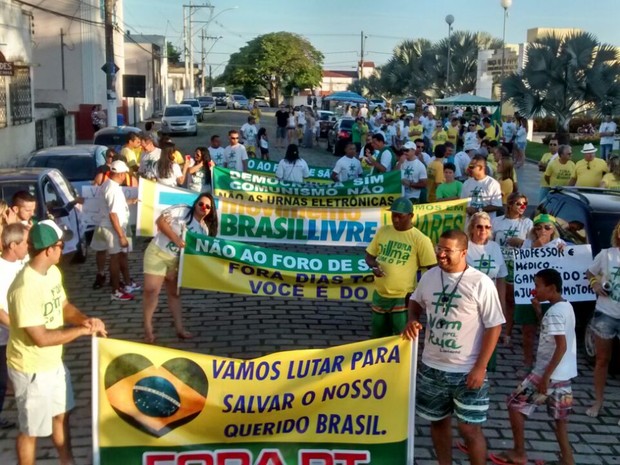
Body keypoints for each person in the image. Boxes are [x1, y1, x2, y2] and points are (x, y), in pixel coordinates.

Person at [7, 220, 107, 465]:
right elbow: (40, 338)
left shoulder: (52, 272)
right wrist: (80, 332)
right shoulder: (25, 288)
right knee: (31, 431)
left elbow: (63, 307)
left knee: (61, 416)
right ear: (48, 250)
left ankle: (67, 462)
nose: (64, 249)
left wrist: (85, 320)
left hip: (53, 364)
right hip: (31, 368)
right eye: (61, 245)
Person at [402, 229, 504, 465]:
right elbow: (415, 301)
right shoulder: (429, 277)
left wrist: (480, 367)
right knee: (437, 422)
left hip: (467, 371)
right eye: (439, 249)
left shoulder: (481, 283)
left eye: (448, 250)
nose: (441, 255)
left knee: (469, 430)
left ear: (464, 252)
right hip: (432, 367)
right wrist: (412, 319)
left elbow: (494, 326)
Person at [491, 268, 576, 465]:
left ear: (551, 287)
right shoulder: (565, 307)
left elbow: (561, 346)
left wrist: (545, 377)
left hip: (547, 373)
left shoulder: (554, 312)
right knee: (560, 419)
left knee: (514, 405)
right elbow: (553, 333)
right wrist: (539, 312)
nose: (534, 289)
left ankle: (519, 452)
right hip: (564, 375)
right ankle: (568, 460)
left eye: (537, 285)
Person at [143, 193, 218, 343]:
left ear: (210, 211)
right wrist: (176, 238)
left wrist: (176, 268)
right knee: (152, 290)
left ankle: (179, 328)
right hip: (157, 251)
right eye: (201, 204)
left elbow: (193, 256)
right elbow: (160, 222)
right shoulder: (182, 210)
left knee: (174, 294)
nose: (204, 207)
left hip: (176, 261)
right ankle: (148, 327)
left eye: (207, 206)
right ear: (195, 204)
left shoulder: (204, 231)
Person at [365, 197, 436, 338]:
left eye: (400, 216)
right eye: (393, 215)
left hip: (403, 297)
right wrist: (374, 267)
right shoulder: (383, 231)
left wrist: (422, 294)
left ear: (411, 216)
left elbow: (432, 269)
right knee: (378, 337)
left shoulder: (420, 239)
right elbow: (369, 256)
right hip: (380, 294)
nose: (396, 220)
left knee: (402, 336)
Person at [516, 214, 566, 372]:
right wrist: (537, 244)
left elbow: (570, 260)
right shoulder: (529, 244)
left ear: (553, 229)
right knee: (528, 331)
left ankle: (549, 366)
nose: (542, 230)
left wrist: (564, 250)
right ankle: (527, 363)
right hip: (529, 292)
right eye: (538, 227)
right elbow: (524, 260)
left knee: (551, 334)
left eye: (547, 227)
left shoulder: (560, 244)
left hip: (550, 296)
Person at [584, 220, 620, 418]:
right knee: (602, 360)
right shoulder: (607, 254)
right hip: (606, 313)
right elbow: (589, 272)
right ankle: (598, 401)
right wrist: (595, 284)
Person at [90, 160, 138, 301]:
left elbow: (116, 206)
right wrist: (121, 235)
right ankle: (116, 289)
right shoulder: (113, 189)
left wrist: (131, 201)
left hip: (112, 226)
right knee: (115, 258)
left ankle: (120, 286)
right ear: (121, 174)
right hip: (112, 228)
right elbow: (113, 214)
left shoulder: (110, 185)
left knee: (117, 256)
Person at [492, 192, 534, 345]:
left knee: (510, 300)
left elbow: (532, 245)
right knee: (495, 298)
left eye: (525, 204)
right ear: (510, 205)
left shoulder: (527, 223)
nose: (522, 207)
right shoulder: (497, 222)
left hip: (516, 265)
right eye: (518, 203)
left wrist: (520, 241)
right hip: (498, 262)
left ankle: (507, 332)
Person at [0, 223, 29, 430]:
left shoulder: (22, 263)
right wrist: (23, 333)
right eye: (26, 243)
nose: (29, 247)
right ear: (12, 245)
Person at [466, 212, 507, 348]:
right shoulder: (465, 246)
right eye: (479, 226)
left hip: (489, 299)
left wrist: (501, 304)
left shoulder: (494, 247)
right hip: (468, 298)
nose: (483, 230)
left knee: (489, 337)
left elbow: (501, 277)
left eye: (487, 227)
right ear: (472, 228)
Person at [460, 154, 503, 220]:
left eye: (471, 166)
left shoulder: (492, 183)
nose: (469, 169)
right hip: (469, 224)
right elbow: (462, 202)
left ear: (480, 168)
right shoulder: (466, 183)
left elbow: (497, 206)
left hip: (486, 224)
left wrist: (478, 210)